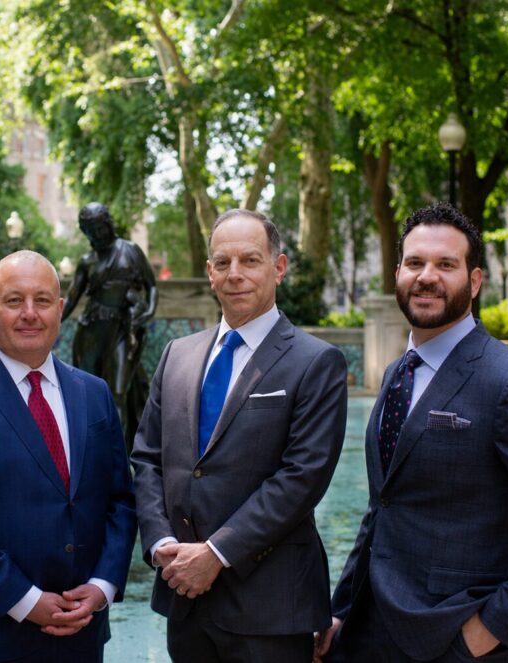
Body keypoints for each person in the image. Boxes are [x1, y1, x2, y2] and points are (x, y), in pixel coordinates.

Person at [316, 203, 508, 663]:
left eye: (445, 265)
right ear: (397, 274)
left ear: (474, 282)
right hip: (367, 629)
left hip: (451, 638)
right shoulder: (398, 372)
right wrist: (341, 611)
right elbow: (382, 508)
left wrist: (490, 631)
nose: (426, 276)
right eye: (415, 263)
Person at [131, 208, 348, 662]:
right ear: (209, 272)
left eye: (250, 260)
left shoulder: (316, 362)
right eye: (223, 263)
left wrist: (216, 553)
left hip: (269, 606)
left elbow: (301, 477)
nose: (236, 274)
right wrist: (161, 543)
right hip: (184, 598)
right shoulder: (177, 355)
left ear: (279, 267)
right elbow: (148, 458)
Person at [0, 250, 136, 663]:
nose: (29, 314)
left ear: (59, 310)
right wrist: (24, 599)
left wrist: (103, 586)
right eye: (14, 300)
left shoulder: (94, 394)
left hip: (82, 631)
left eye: (41, 301)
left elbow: (121, 500)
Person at [62, 202, 158, 453]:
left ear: (108, 224)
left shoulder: (130, 250)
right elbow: (71, 298)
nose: (97, 234)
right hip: (91, 331)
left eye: (99, 228)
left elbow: (152, 285)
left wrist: (148, 311)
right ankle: (90, 452)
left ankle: (118, 458)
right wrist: (50, 321)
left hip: (122, 330)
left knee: (117, 393)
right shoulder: (87, 262)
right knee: (86, 395)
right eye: (90, 230)